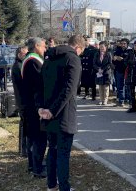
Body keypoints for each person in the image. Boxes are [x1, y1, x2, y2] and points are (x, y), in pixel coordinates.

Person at [39, 34, 85, 191]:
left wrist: (42, 108)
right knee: (63, 153)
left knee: (52, 149)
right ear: (78, 47)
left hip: (48, 113)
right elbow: (70, 89)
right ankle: (64, 188)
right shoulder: (73, 59)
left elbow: (41, 86)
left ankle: (52, 185)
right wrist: (52, 111)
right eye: (81, 52)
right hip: (63, 114)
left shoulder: (49, 57)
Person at [20, 37, 48, 178]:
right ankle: (38, 168)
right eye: (43, 46)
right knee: (39, 138)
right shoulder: (33, 61)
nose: (45, 49)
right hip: (34, 106)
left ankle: (33, 165)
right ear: (36, 46)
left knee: (33, 137)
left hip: (30, 104)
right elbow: (40, 83)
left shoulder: (30, 59)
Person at [11, 45, 28, 157]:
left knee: (24, 124)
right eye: (24, 54)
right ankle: (23, 150)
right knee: (24, 125)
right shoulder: (18, 66)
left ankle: (23, 149)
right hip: (22, 100)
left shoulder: (20, 64)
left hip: (22, 99)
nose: (27, 55)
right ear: (19, 54)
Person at [77, 35, 97, 100]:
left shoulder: (93, 49)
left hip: (90, 68)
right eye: (84, 40)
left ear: (88, 40)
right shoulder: (81, 49)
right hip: (84, 68)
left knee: (92, 82)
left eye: (86, 40)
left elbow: (95, 59)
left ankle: (93, 95)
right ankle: (86, 93)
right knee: (85, 82)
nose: (85, 41)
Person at [93, 41, 112, 105]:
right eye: (100, 47)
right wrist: (98, 69)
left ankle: (105, 100)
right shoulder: (97, 54)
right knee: (100, 86)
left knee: (106, 87)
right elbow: (94, 63)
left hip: (106, 72)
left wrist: (103, 69)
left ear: (106, 47)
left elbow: (109, 63)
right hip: (99, 72)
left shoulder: (108, 54)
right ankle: (101, 99)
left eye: (102, 47)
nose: (101, 48)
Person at [112, 38, 131, 107]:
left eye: (124, 44)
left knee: (127, 86)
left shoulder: (130, 51)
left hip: (127, 71)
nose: (123, 45)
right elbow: (114, 61)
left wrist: (122, 59)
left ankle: (128, 100)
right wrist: (114, 59)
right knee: (119, 86)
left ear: (127, 44)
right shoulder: (117, 50)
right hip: (119, 70)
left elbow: (129, 61)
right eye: (122, 43)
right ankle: (121, 101)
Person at [125, 40, 136, 113]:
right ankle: (133, 107)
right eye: (135, 45)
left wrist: (135, 63)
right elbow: (126, 61)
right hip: (131, 74)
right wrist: (132, 63)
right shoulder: (130, 53)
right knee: (131, 92)